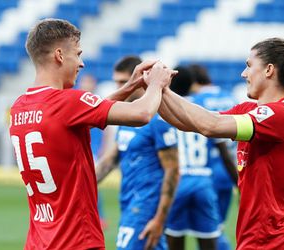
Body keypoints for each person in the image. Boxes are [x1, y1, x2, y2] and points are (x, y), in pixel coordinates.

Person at [9, 18, 175, 250]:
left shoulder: (19, 106)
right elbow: (142, 114)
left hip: (39, 240)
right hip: (76, 239)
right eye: (77, 54)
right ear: (59, 55)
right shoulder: (68, 102)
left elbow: (81, 114)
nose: (82, 63)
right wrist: (157, 83)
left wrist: (129, 87)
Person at [157, 38, 284, 249]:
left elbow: (210, 126)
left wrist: (164, 89)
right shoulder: (248, 110)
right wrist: (156, 91)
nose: (244, 74)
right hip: (257, 238)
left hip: (273, 241)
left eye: (249, 65)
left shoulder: (282, 115)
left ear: (269, 70)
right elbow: (188, 123)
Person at [95, 56, 180, 250]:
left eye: (123, 82)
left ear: (143, 79)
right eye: (116, 82)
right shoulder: (126, 119)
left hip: (145, 207)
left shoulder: (157, 120)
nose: (120, 88)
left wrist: (159, 219)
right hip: (128, 202)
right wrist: (80, 186)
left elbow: (173, 170)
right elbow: (110, 160)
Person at [164, 66, 221, 250]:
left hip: (177, 181)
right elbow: (223, 149)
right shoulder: (203, 109)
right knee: (209, 241)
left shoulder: (166, 110)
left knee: (174, 239)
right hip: (203, 179)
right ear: (192, 85)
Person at [187, 64, 238, 250]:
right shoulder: (231, 98)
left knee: (208, 230)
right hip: (229, 171)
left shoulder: (196, 101)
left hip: (206, 172)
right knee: (218, 226)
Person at [78, 73, 108, 229]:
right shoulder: (76, 100)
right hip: (79, 149)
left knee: (92, 183)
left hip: (93, 150)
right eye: (85, 82)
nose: (87, 85)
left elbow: (106, 128)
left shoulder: (96, 102)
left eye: (89, 82)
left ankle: (98, 216)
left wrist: (103, 147)